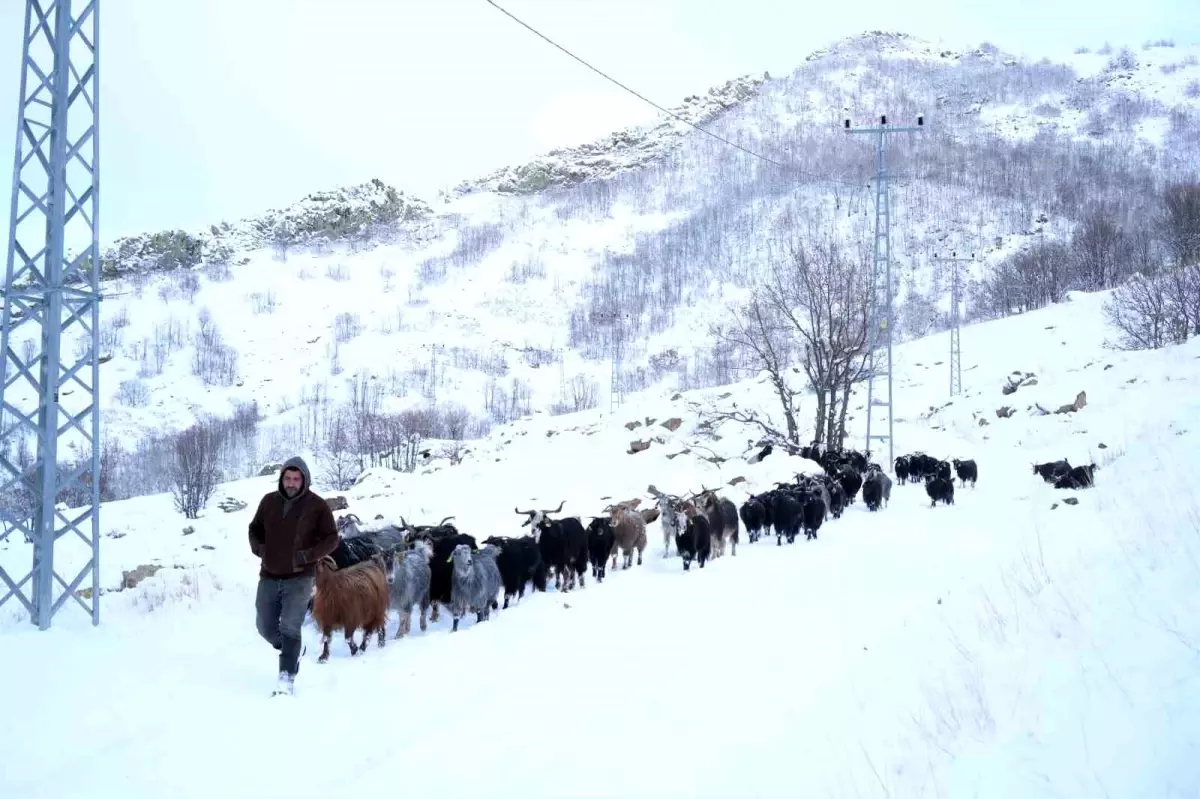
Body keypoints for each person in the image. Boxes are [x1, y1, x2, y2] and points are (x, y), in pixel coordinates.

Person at [247, 455, 338, 695]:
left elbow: (332, 538)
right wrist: (260, 549)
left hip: (300, 577)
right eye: (287, 478)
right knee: (264, 626)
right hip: (269, 574)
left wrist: (308, 556)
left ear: (304, 480)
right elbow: (254, 529)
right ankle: (291, 650)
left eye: (296, 479)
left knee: (290, 625)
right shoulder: (268, 502)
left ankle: (286, 678)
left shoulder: (317, 506)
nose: (291, 483)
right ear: (281, 479)